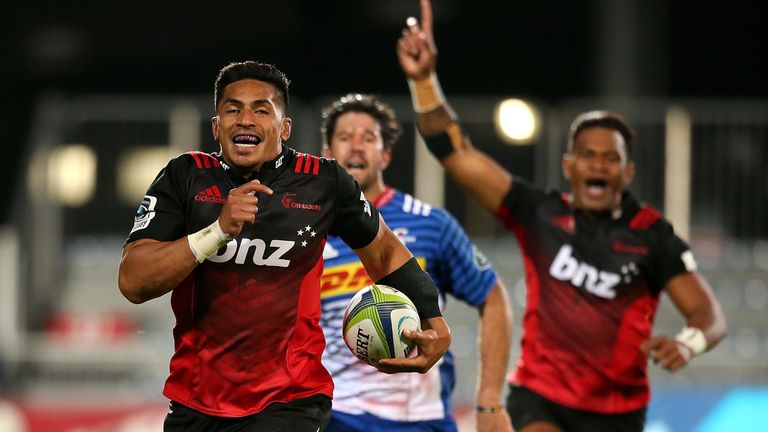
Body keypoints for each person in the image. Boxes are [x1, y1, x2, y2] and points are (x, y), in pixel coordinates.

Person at [395, 1, 728, 431]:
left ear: (627, 172)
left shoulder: (653, 236)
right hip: (540, 397)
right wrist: (424, 82)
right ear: (569, 165)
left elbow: (709, 315)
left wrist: (688, 343)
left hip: (619, 412)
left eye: (610, 159)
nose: (598, 165)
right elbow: (455, 153)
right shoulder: (539, 213)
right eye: (588, 156)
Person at [117, 60, 452, 432]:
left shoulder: (324, 182)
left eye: (261, 110)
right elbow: (133, 281)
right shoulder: (185, 176)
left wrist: (435, 321)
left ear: (284, 127)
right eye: (232, 109)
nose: (245, 120)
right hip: (196, 403)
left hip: (291, 401)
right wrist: (216, 231)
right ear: (216, 127)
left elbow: (385, 251)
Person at [318, 93, 514, 432]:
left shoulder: (430, 224)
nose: (356, 147)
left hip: (420, 419)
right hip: (336, 413)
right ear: (327, 154)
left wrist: (489, 398)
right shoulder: (310, 229)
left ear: (386, 155)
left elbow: (493, 297)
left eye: (368, 138)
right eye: (345, 137)